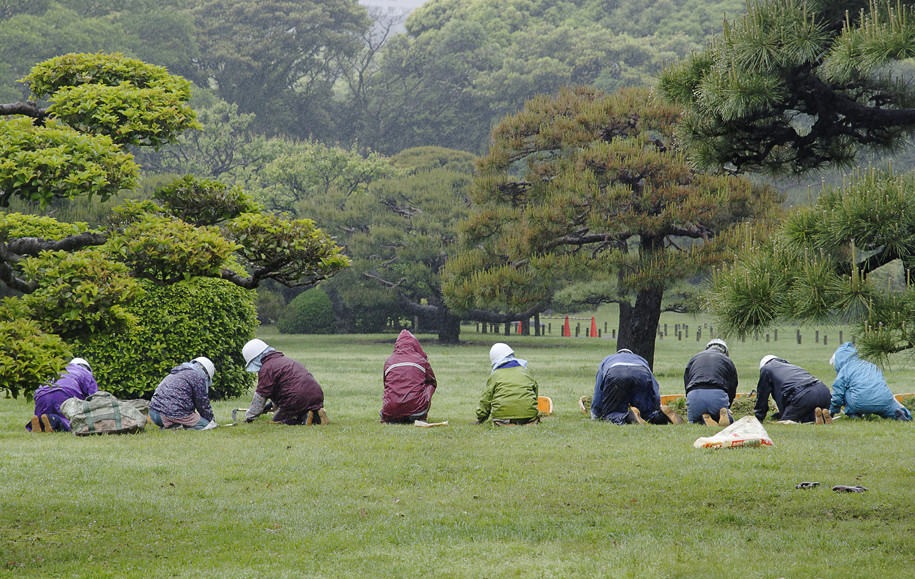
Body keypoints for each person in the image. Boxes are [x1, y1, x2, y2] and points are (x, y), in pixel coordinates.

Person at [243, 338, 327, 425]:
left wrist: (250, 417)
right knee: (304, 407)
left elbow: (260, 396)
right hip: (316, 395)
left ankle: (303, 419)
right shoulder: (284, 360)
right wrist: (271, 405)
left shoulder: (266, 368)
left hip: (296, 398)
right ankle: (316, 414)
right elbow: (284, 386)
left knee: (278, 421)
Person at [591, 348, 683, 424]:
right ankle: (661, 415)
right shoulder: (641, 359)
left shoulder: (607, 359)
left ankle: (629, 417)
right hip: (641, 373)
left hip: (616, 373)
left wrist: (595, 413)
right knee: (647, 414)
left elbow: (599, 388)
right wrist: (657, 405)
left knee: (613, 413)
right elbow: (653, 385)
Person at [828, 342, 912, 421]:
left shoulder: (845, 369)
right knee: (892, 409)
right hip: (883, 399)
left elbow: (837, 393)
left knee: (845, 390)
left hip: (860, 402)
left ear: (839, 361)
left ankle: (854, 414)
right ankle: (902, 415)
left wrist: (832, 411)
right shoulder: (871, 365)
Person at [26, 358, 99, 432]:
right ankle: (54, 420)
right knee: (70, 421)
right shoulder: (87, 374)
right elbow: (93, 398)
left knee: (42, 416)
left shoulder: (58, 369)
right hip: (64, 393)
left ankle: (37, 421)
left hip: (41, 394)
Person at [755, 355, 833, 424]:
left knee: (787, 421)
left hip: (804, 395)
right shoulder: (792, 366)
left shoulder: (766, 369)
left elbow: (762, 395)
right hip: (824, 391)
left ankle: (813, 417)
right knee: (807, 409)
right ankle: (821, 414)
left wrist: (759, 417)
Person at [475, 343, 539, 425]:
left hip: (502, 419)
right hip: (529, 417)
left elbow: (486, 399)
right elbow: (535, 390)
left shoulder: (495, 375)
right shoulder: (524, 371)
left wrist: (481, 418)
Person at [381, 330, 437, 423]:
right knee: (430, 385)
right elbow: (432, 382)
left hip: (390, 412)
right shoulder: (421, 361)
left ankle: (393, 412)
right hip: (416, 411)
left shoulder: (389, 361)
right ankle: (420, 414)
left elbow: (385, 383)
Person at [149, 357, 218, 430]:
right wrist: (211, 421)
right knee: (207, 426)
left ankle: (172, 425)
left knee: (179, 417)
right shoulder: (198, 376)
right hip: (172, 413)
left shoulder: (178, 372)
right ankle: (180, 427)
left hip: (154, 414)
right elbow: (202, 403)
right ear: (206, 374)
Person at [684, 339, 738, 426]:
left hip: (695, 395)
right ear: (725, 352)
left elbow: (687, 382)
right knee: (727, 419)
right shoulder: (727, 360)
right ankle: (723, 417)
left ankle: (702, 420)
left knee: (694, 422)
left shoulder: (694, 358)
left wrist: (690, 398)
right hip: (717, 395)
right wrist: (727, 405)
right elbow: (732, 386)